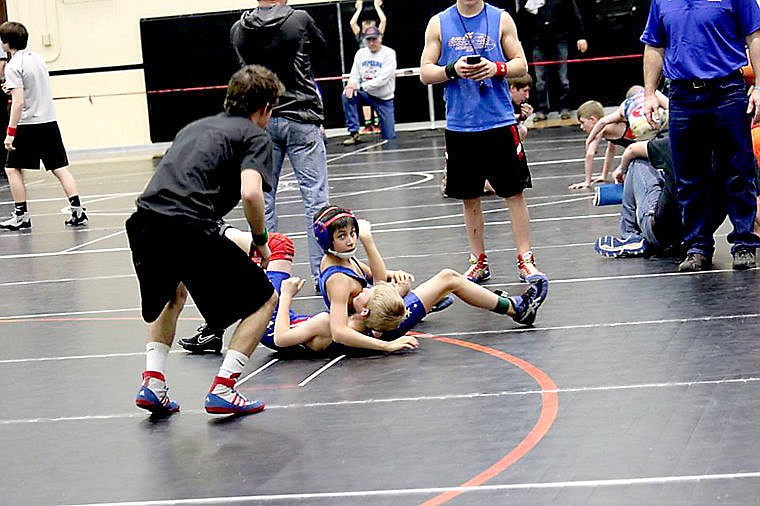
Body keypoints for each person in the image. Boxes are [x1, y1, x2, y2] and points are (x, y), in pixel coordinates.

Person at [126, 65, 284, 416]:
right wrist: (260, 240)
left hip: (145, 222)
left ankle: (153, 383)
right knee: (263, 299)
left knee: (173, 293)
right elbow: (252, 194)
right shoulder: (255, 136)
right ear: (265, 109)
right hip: (188, 225)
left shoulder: (194, 128)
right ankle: (224, 387)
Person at [420, 0, 544, 283]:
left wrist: (495, 68)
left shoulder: (500, 19)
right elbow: (426, 72)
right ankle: (478, 260)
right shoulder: (439, 22)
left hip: (498, 120)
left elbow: (521, 63)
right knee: (469, 196)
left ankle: (525, 259)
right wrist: (452, 70)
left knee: (514, 192)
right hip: (460, 124)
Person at [313, 205, 548, 350]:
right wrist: (387, 345)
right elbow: (339, 332)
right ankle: (517, 309)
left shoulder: (341, 259)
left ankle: (430, 302)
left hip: (375, 317)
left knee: (412, 284)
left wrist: (393, 275)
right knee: (449, 278)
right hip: (378, 329)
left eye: (353, 233)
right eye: (343, 236)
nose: (351, 240)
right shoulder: (339, 281)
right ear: (327, 240)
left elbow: (378, 277)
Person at [641, 0, 760, 271]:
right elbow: (654, 45)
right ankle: (697, 247)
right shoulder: (662, 1)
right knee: (689, 176)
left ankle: (744, 243)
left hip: (726, 90)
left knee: (738, 171)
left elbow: (755, 35)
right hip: (682, 95)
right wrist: (649, 93)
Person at [230, 0, 330, 288]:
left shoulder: (240, 28)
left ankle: (271, 274)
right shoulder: (299, 19)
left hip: (262, 118)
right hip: (301, 116)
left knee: (264, 198)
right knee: (315, 198)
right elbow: (323, 50)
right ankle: (322, 274)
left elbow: (243, 72)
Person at [0, 21, 87, 231]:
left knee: (11, 168)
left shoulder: (13, 66)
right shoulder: (38, 59)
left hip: (29, 124)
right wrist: (11, 89)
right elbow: (31, 88)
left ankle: (21, 216)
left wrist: (10, 133)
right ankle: (78, 211)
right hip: (49, 121)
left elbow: (19, 103)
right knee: (60, 168)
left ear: (6, 42)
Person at [594, 135, 682, 257]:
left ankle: (630, 233)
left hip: (659, 231)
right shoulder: (715, 150)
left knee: (637, 161)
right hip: (694, 233)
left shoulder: (674, 144)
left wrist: (622, 171)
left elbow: (631, 150)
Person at [571, 87, 669, 190]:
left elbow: (590, 154)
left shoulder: (604, 127)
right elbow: (610, 151)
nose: (581, 127)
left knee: (621, 171)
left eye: (582, 123)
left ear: (592, 120)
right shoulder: (615, 122)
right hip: (649, 133)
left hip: (643, 134)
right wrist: (603, 176)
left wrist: (587, 181)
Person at [522, 0, 588, 122]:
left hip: (559, 38)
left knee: (563, 78)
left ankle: (565, 107)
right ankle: (542, 109)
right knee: (540, 81)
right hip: (538, 42)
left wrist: (581, 36)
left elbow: (575, 16)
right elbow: (523, 19)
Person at [342, 26, 397, 146]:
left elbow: (382, 79)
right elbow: (354, 75)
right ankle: (354, 133)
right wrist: (351, 84)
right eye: (368, 40)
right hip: (365, 94)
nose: (371, 43)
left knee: (389, 137)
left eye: (374, 39)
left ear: (380, 38)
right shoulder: (360, 53)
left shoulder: (389, 53)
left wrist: (360, 86)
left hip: (383, 98)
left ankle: (385, 128)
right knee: (347, 94)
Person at [349, 0, 388, 134]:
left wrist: (377, 6)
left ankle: (378, 123)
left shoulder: (378, 35)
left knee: (377, 96)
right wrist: (358, 8)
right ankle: (368, 124)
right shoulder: (360, 37)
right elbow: (352, 23)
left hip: (377, 69)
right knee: (364, 97)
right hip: (364, 71)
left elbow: (383, 20)